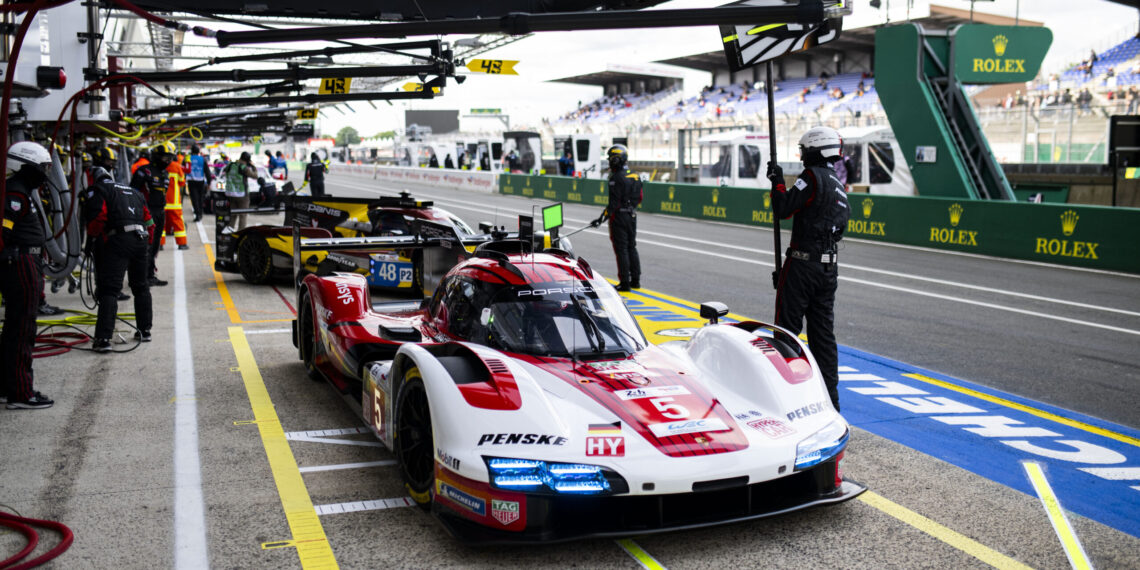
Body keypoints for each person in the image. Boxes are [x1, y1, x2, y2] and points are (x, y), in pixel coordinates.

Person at [766, 126, 851, 412]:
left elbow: (783, 208)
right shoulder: (839, 185)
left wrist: (777, 181)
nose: (802, 156)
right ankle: (831, 405)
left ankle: (786, 402)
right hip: (829, 270)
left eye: (804, 150)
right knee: (824, 338)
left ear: (815, 149)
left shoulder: (812, 176)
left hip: (803, 264)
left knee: (787, 333)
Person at [2, 141, 54, 409]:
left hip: (25, 260)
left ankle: (7, 386)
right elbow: (4, 234)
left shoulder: (22, 191)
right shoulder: (16, 195)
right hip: (21, 262)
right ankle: (21, 393)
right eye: (41, 168)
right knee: (23, 328)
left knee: (15, 327)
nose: (45, 173)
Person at [84, 166, 154, 352]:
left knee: (109, 290)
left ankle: (103, 339)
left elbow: (99, 217)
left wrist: (91, 240)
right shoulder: (133, 191)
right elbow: (149, 222)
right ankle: (145, 331)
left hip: (119, 240)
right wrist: (147, 245)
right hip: (141, 239)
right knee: (141, 286)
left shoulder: (99, 190)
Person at [590, 144, 642, 291]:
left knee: (622, 250)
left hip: (619, 218)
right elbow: (640, 198)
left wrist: (600, 220)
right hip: (632, 215)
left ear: (617, 160)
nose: (610, 162)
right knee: (632, 247)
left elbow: (613, 205)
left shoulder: (615, 178)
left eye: (611, 159)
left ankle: (625, 282)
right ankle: (636, 280)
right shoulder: (635, 176)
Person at [130, 142, 174, 286]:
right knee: (144, 246)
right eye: (165, 158)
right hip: (146, 213)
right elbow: (133, 192)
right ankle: (140, 277)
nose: (168, 161)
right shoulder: (144, 171)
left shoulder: (165, 173)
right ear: (157, 156)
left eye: (170, 158)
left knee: (155, 245)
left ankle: (149, 274)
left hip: (160, 212)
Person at [222, 151, 257, 230]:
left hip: (230, 193)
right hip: (242, 195)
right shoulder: (243, 167)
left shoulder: (230, 165)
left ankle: (230, 232)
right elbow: (255, 176)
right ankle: (240, 234)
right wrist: (253, 166)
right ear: (248, 160)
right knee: (243, 215)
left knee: (233, 215)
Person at [163, 151, 188, 250]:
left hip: (162, 201)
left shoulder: (160, 166)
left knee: (161, 224)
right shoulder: (177, 166)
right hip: (174, 201)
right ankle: (182, 244)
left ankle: (160, 244)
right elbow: (182, 182)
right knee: (178, 222)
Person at [185, 145, 211, 222]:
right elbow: (207, 171)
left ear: (191, 151)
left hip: (191, 181)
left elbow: (184, 169)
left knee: (194, 199)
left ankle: (197, 214)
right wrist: (209, 182)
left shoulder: (188, 158)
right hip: (201, 181)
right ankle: (200, 213)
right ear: (198, 152)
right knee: (200, 198)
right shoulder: (203, 159)